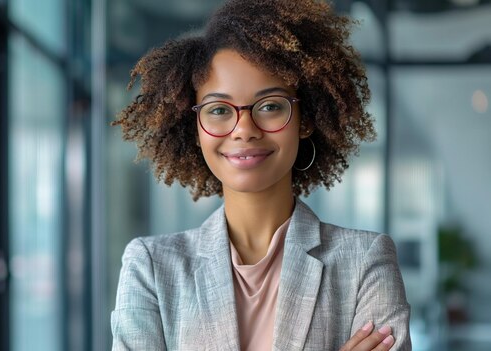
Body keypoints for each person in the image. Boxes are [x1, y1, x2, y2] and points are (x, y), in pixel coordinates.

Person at [111, 0, 411, 350]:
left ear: (306, 119)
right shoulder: (151, 268)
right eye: (219, 109)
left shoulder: (365, 262)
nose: (244, 130)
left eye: (270, 106)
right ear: (196, 128)